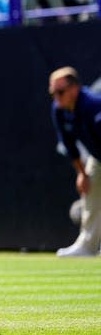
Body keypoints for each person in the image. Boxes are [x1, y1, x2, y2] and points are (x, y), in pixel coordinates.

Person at [49, 66, 101, 257]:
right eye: (53, 92)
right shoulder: (59, 110)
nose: (56, 96)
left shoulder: (93, 107)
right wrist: (82, 173)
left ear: (74, 89)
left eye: (60, 92)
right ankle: (87, 246)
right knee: (91, 193)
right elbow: (70, 146)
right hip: (97, 157)